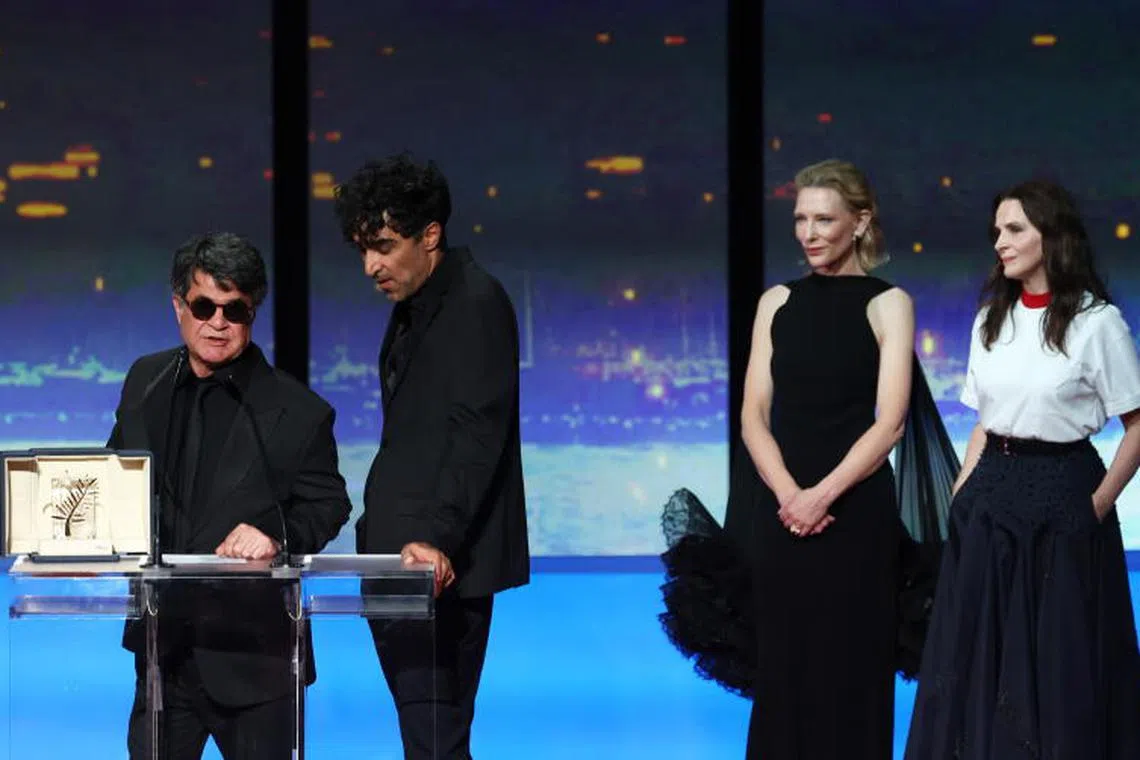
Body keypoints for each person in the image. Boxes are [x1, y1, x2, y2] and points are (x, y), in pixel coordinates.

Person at [659, 158, 958, 760]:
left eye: (824, 218)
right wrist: (790, 495)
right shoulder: (776, 302)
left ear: (860, 222)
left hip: (856, 518)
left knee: (853, 679)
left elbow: (891, 422)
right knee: (785, 680)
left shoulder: (889, 303)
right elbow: (752, 417)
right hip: (780, 517)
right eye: (800, 219)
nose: (809, 232)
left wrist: (820, 496)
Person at [905, 180, 1140, 758]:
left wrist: (1097, 505)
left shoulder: (1097, 322)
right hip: (989, 500)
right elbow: (984, 421)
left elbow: (1137, 426)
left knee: (1059, 661)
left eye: (1014, 230)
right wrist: (963, 493)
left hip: (1065, 493)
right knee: (974, 657)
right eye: (996, 233)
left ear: (1051, 236)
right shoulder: (990, 321)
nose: (1000, 243)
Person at [108, 232, 352, 759]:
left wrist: (276, 535)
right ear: (179, 306)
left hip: (255, 662)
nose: (217, 322)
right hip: (163, 654)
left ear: (252, 313)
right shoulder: (144, 381)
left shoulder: (298, 411)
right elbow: (114, 479)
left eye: (233, 309)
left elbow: (329, 503)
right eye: (204, 306)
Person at [333, 153, 530, 760]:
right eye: (364, 249)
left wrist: (438, 538)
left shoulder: (474, 303)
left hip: (440, 563)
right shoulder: (416, 307)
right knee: (428, 741)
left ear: (431, 236)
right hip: (400, 555)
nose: (372, 265)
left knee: (435, 741)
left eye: (385, 247)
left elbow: (479, 434)